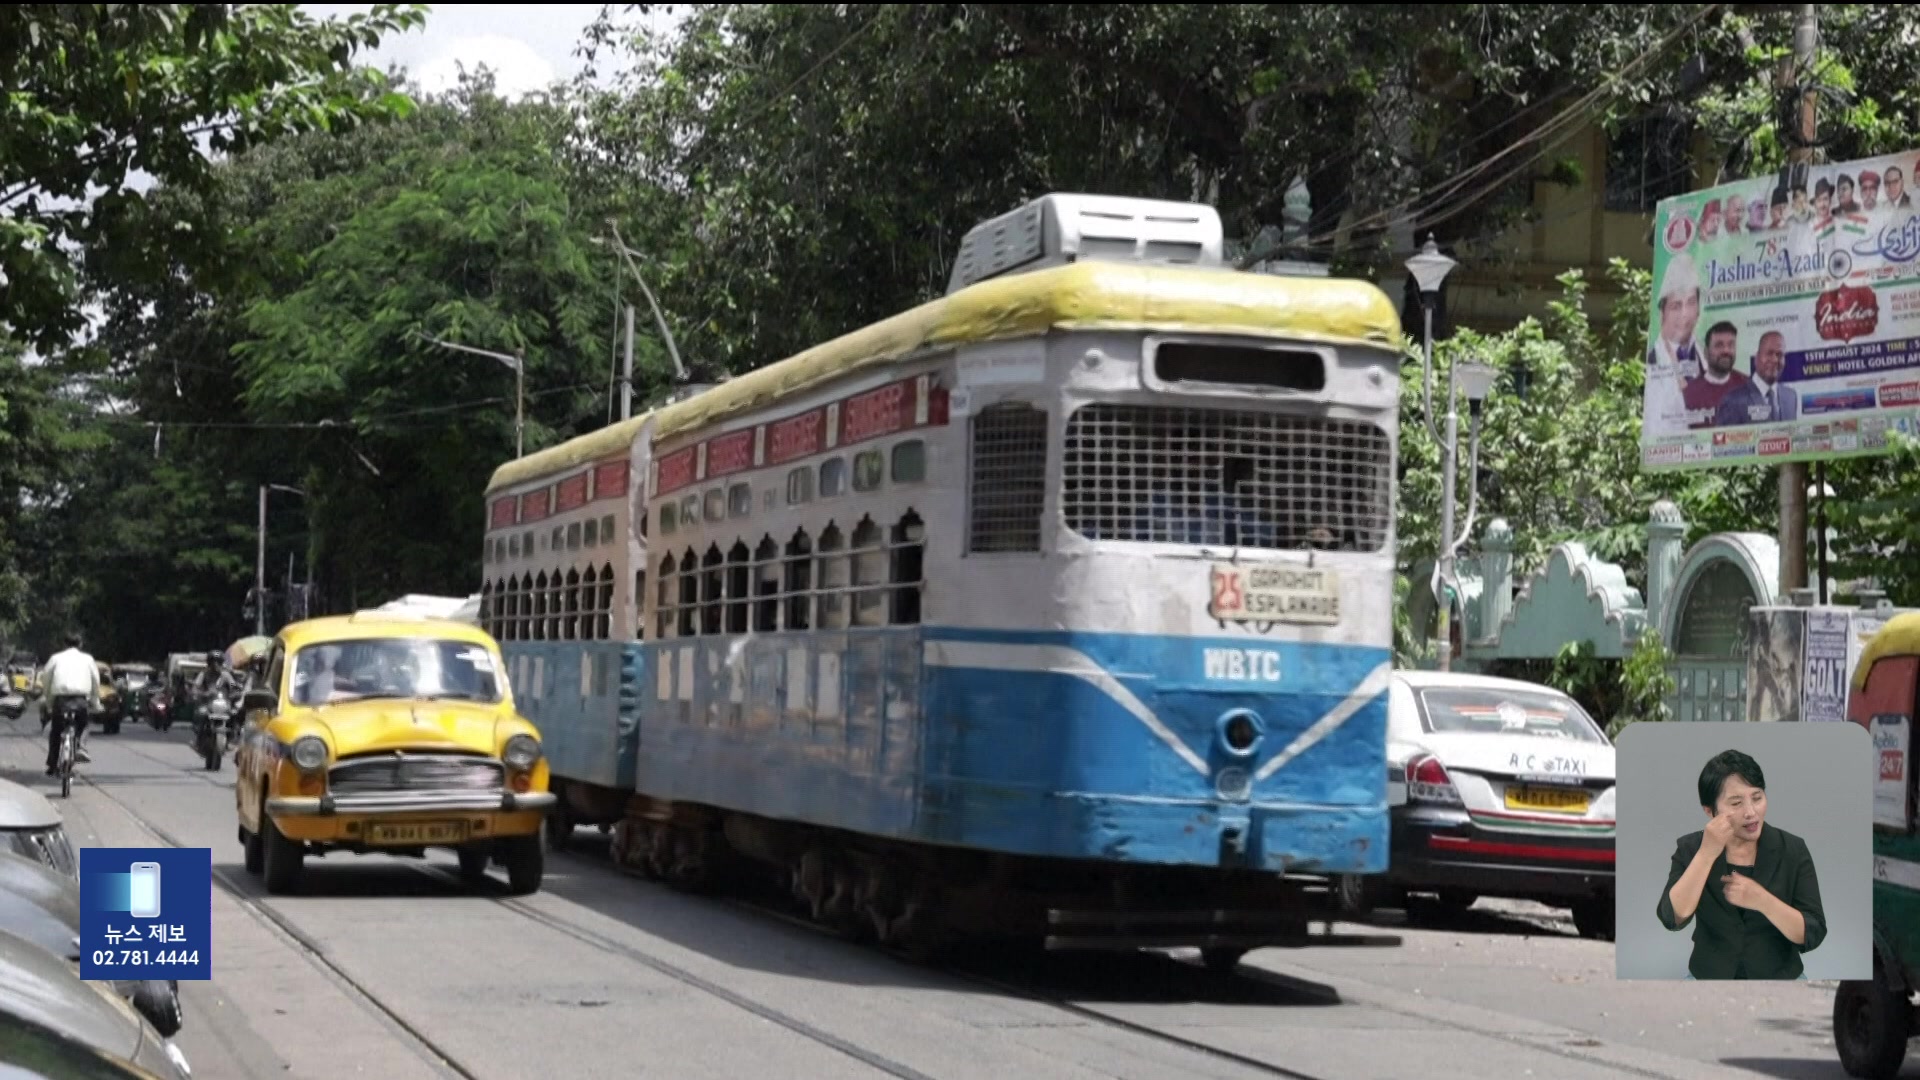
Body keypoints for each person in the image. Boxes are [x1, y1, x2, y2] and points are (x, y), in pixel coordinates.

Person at [1656, 749, 1826, 979]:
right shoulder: (1690, 848)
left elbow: (1813, 932)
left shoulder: (1793, 849)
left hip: (1781, 979)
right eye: (1736, 803)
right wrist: (1706, 853)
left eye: (1757, 798)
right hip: (1708, 977)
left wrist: (1762, 900)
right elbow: (1671, 917)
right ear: (1709, 811)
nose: (1750, 812)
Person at [36, 632, 98, 775]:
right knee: (84, 724)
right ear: (80, 644)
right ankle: (81, 747)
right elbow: (95, 681)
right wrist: (96, 701)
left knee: (56, 731)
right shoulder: (88, 659)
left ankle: (52, 764)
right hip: (81, 700)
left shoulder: (55, 658)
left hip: (61, 701)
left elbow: (46, 679)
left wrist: (48, 699)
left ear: (64, 645)